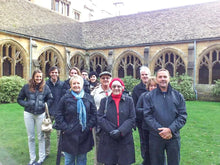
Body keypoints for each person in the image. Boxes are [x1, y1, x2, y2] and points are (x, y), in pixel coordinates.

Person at [143, 68, 187, 165]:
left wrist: (170, 129)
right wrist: (161, 131)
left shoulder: (178, 96)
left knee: (174, 162)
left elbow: (182, 116)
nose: (163, 79)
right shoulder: (149, 96)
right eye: (160, 77)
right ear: (157, 79)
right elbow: (147, 116)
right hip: (156, 137)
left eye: (165, 76)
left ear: (169, 78)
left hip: (173, 136)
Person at [54, 74, 97, 165]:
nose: (76, 85)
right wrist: (65, 128)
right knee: (69, 160)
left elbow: (94, 115)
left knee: (82, 160)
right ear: (71, 85)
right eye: (74, 83)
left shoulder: (88, 98)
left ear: (82, 85)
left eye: (78, 83)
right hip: (69, 134)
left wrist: (88, 127)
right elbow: (58, 114)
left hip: (84, 133)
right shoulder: (65, 98)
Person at [17, 69, 53, 165]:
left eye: (40, 77)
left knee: (41, 136)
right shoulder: (26, 87)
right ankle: (32, 159)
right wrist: (27, 104)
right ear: (33, 77)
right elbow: (19, 99)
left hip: (40, 114)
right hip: (28, 114)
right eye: (37, 76)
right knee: (31, 137)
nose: (39, 78)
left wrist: (44, 105)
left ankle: (41, 158)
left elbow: (50, 98)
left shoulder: (45, 87)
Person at [97, 78, 136, 165]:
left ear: (122, 87)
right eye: (114, 86)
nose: (116, 88)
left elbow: (132, 118)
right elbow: (99, 117)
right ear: (111, 87)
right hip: (109, 137)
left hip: (124, 137)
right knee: (110, 162)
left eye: (119, 86)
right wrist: (111, 130)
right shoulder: (104, 101)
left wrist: (120, 131)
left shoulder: (129, 101)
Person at [91, 71, 112, 165]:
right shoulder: (95, 92)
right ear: (100, 79)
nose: (105, 80)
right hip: (98, 123)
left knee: (111, 148)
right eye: (103, 78)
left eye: (107, 78)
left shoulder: (114, 90)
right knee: (99, 148)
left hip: (111, 123)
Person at [132, 66, 151, 163]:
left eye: (146, 74)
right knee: (144, 143)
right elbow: (134, 106)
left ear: (150, 75)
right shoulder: (137, 89)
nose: (145, 76)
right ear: (140, 76)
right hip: (142, 122)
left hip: (155, 122)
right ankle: (145, 161)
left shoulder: (155, 87)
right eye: (143, 75)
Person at [136, 77, 157, 165]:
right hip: (146, 127)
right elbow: (137, 109)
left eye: (155, 86)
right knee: (147, 147)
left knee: (157, 148)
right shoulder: (143, 96)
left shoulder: (161, 97)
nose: (152, 88)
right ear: (148, 87)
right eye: (151, 86)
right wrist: (147, 111)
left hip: (157, 127)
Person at [44, 66, 64, 158]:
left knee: (60, 134)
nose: (54, 74)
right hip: (48, 112)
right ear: (49, 74)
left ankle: (60, 151)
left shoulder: (62, 84)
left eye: (56, 72)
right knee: (46, 133)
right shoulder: (45, 84)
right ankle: (46, 152)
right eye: (52, 72)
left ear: (58, 73)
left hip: (59, 113)